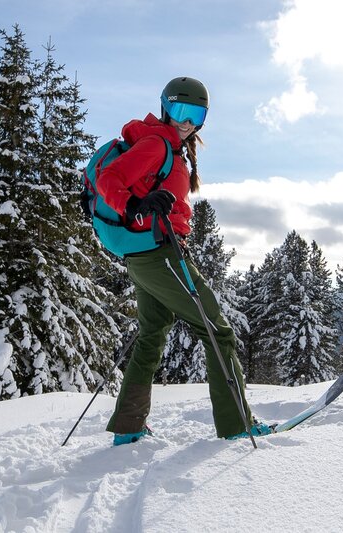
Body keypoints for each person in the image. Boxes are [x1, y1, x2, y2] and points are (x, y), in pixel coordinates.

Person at [97, 76, 273, 445]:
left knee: (151, 334)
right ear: (165, 107)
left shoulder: (173, 149)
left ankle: (128, 429)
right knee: (217, 331)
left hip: (144, 254)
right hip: (156, 254)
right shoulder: (157, 144)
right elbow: (109, 178)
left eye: (196, 114)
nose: (187, 121)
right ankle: (237, 425)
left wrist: (160, 216)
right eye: (180, 110)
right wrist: (135, 205)